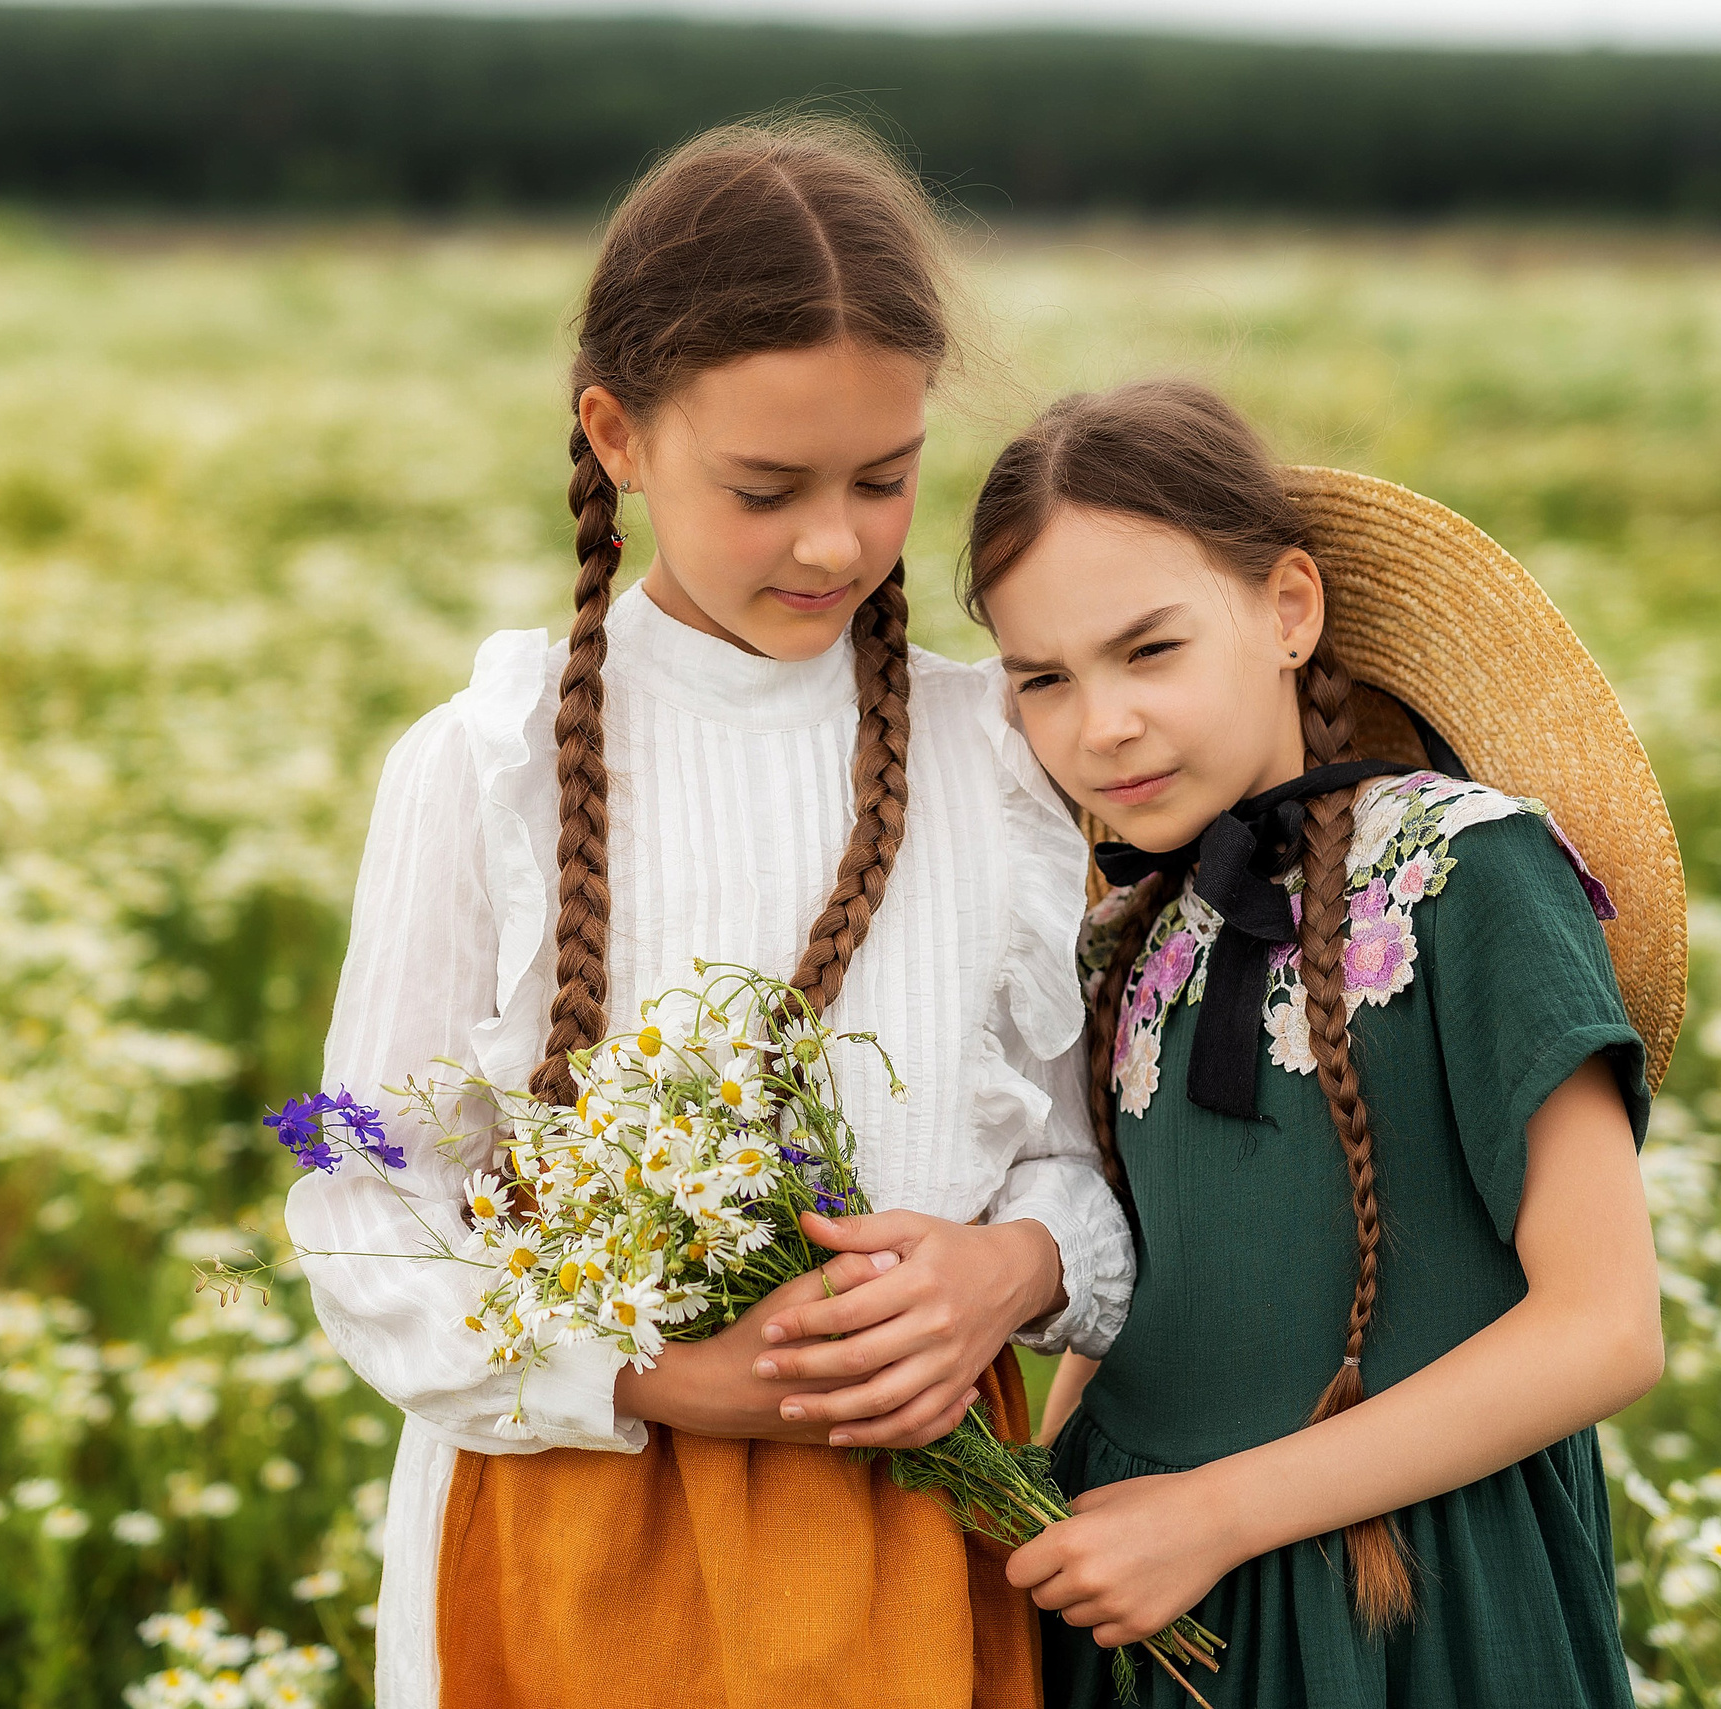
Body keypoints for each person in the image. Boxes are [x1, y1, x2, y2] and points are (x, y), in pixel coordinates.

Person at [286, 121, 1133, 1709]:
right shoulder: (488, 767)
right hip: (572, 1523)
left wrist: (1006, 1272)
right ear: (616, 434)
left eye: (886, 479)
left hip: (919, 1524)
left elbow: (1087, 1167)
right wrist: (662, 1376)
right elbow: (366, 1215)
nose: (836, 541)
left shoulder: (1001, 755)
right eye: (766, 487)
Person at [967, 380, 1685, 1708]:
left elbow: (1607, 1327)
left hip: (1409, 1600)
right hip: (1142, 1601)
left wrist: (1219, 1514)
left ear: (1288, 609)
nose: (1100, 723)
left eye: (1149, 650)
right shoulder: (1120, 932)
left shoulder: (1472, 871)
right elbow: (1139, 1288)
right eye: (1043, 679)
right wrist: (1045, 1500)